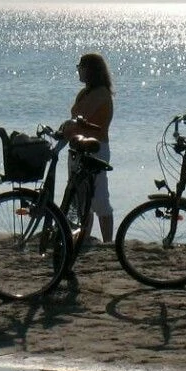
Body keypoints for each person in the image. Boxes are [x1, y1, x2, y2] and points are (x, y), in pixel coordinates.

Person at [63, 52, 116, 242]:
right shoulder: (85, 92)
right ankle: (83, 238)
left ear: (91, 70)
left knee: (99, 197)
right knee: (80, 198)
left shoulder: (101, 93)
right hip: (78, 147)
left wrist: (67, 128)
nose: (79, 70)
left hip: (96, 149)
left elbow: (81, 118)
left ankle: (108, 242)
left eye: (81, 67)